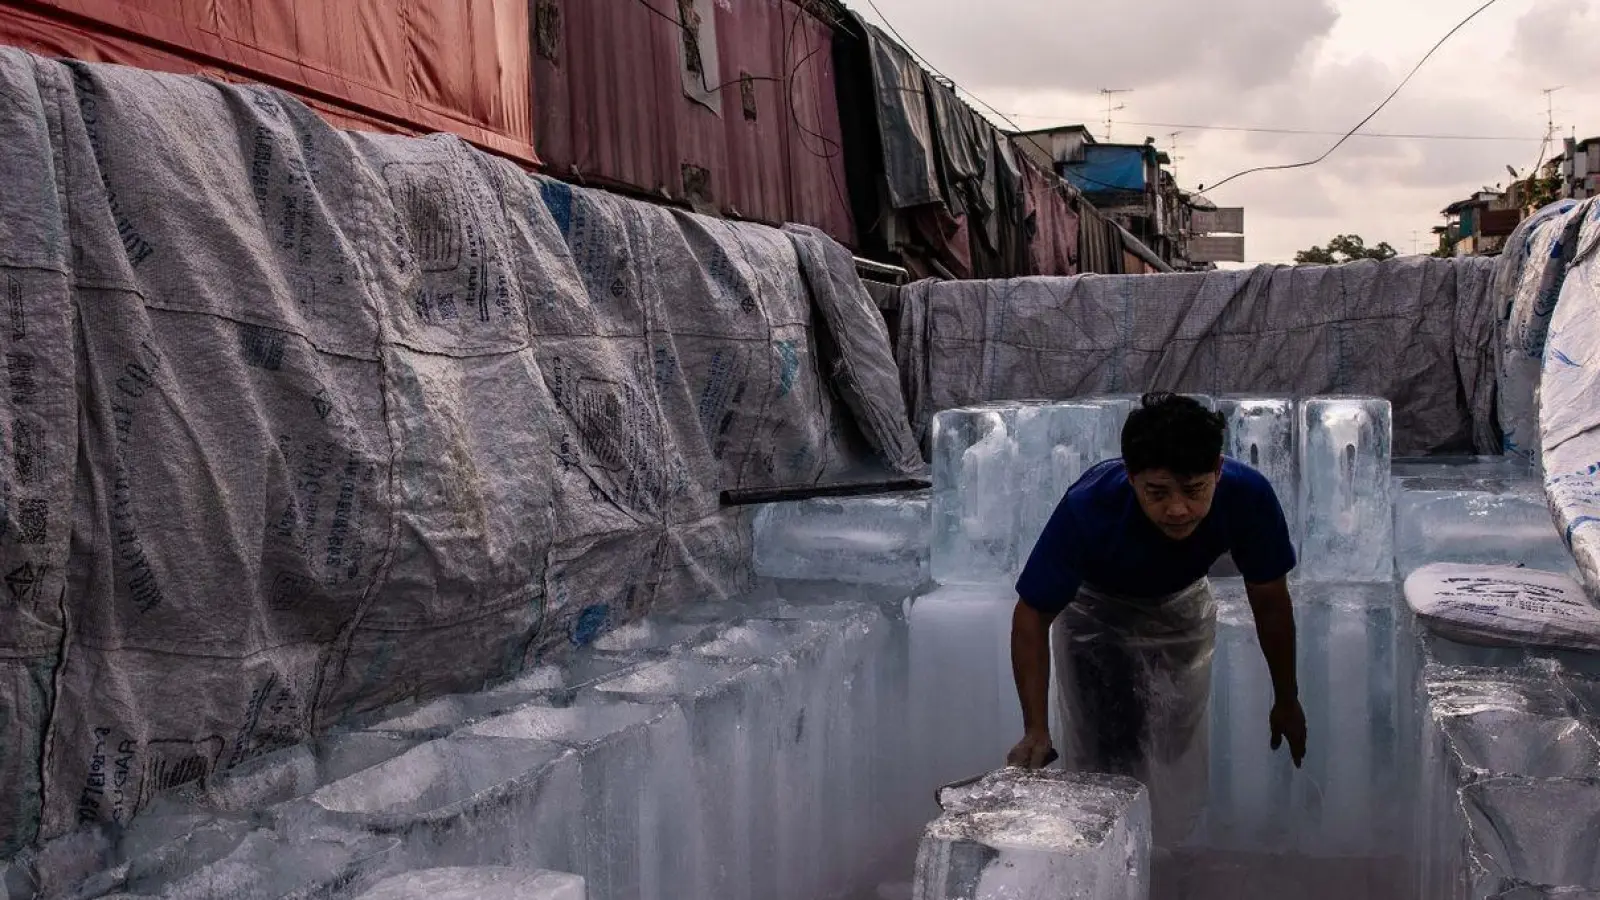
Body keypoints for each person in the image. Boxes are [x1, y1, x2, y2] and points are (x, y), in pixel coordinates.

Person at [1005, 392, 1307, 842]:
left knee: (1173, 746)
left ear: (1218, 472)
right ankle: (1111, 860)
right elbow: (1031, 616)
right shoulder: (1089, 507)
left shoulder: (1248, 496)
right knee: (1110, 748)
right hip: (1097, 616)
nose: (1178, 509)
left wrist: (1286, 698)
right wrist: (1035, 727)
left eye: (1194, 489)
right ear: (1131, 478)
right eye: (1157, 492)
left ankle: (1171, 854)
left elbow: (1269, 600)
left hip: (1178, 608)